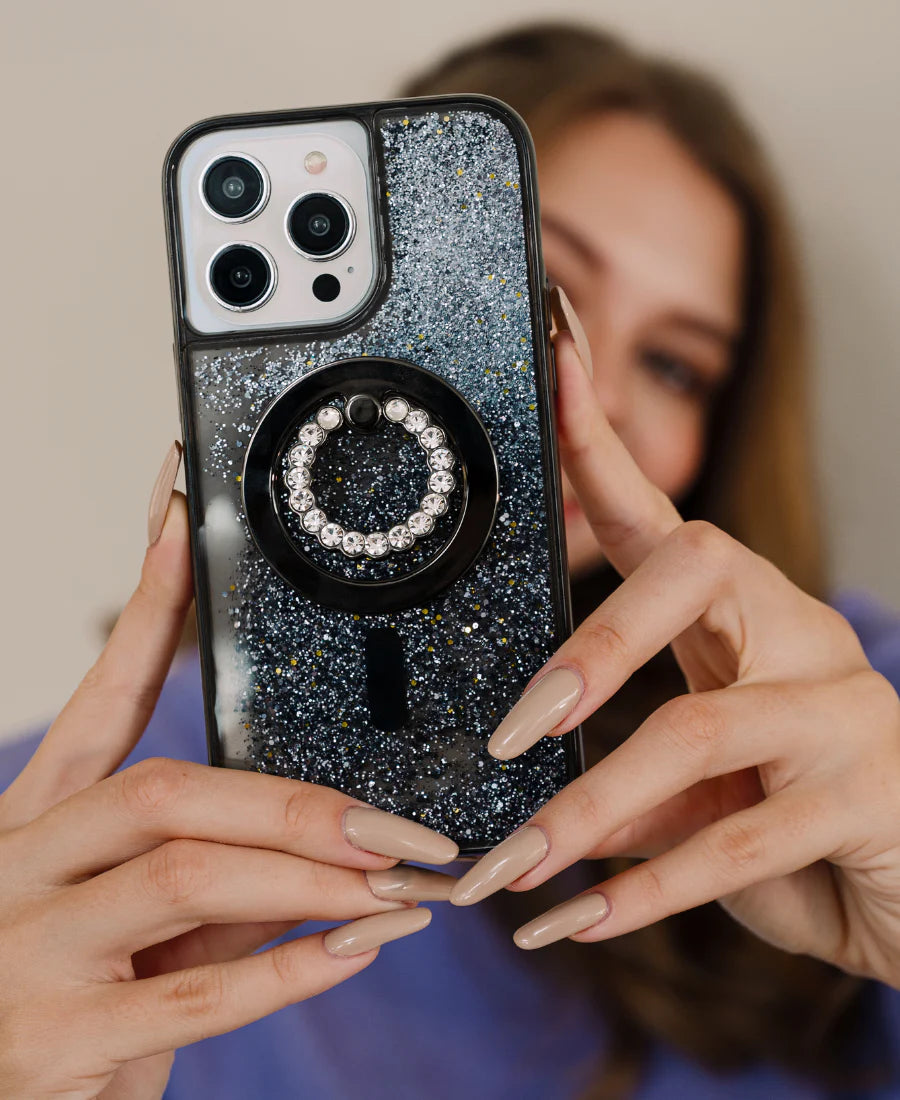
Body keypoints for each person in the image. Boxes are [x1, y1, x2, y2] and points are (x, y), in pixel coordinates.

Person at [2, 21, 900, 1100]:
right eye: (544, 295)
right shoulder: (57, 842)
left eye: (674, 363)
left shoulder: (849, 725)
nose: (595, 391)